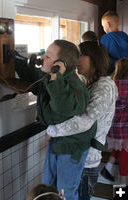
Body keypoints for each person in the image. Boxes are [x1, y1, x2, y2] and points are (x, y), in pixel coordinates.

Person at [15, 39, 97, 200]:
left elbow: (62, 106)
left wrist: (55, 77)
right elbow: (34, 77)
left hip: (72, 146)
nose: (43, 58)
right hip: (58, 141)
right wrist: (17, 60)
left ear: (60, 64)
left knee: (65, 190)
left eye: (47, 56)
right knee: (47, 185)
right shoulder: (52, 78)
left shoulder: (74, 85)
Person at [47, 40, 118, 200]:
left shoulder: (104, 87)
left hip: (85, 161)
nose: (76, 61)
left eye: (80, 55)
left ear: (94, 58)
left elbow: (85, 121)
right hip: (75, 154)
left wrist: (53, 131)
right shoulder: (88, 83)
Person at [101, 58, 128, 185]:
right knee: (125, 154)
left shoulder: (111, 84)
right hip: (125, 126)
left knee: (119, 146)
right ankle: (122, 186)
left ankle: (108, 168)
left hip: (112, 126)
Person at [100, 10, 128, 74]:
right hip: (125, 71)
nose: (103, 28)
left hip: (112, 72)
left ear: (108, 24)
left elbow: (102, 57)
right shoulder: (125, 35)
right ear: (118, 23)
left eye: (103, 26)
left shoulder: (105, 38)